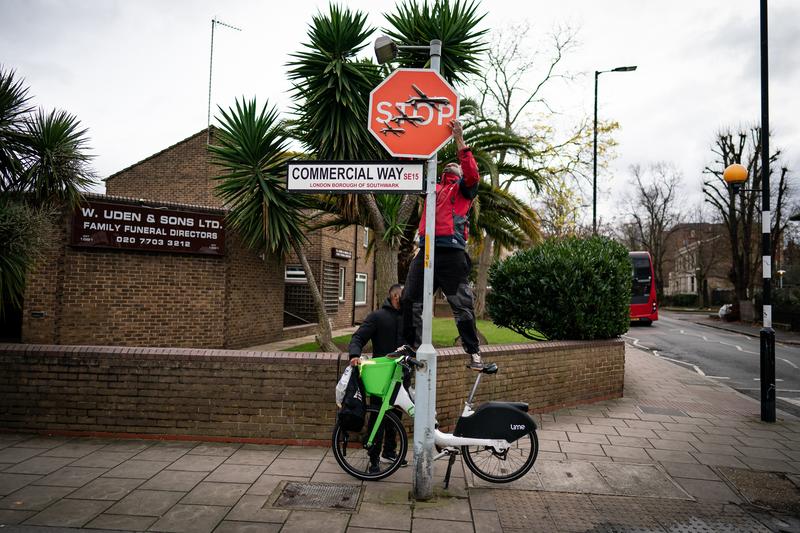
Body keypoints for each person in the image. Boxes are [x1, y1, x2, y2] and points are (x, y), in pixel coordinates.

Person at [398, 119, 487, 371]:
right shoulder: (431, 188)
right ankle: (409, 346)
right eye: (449, 164)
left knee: (462, 305)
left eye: (456, 165)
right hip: (426, 250)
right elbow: (407, 172)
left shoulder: (463, 190)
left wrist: (459, 140)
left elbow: (472, 173)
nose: (452, 165)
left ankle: (473, 351)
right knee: (409, 299)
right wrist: (406, 139)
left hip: (452, 254)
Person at [348, 284, 408, 472]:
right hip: (381, 378)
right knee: (378, 418)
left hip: (401, 376)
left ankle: (389, 452)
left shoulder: (409, 318)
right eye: (406, 295)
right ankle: (373, 458)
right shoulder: (377, 317)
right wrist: (354, 355)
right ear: (396, 297)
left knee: (396, 416)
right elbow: (358, 338)